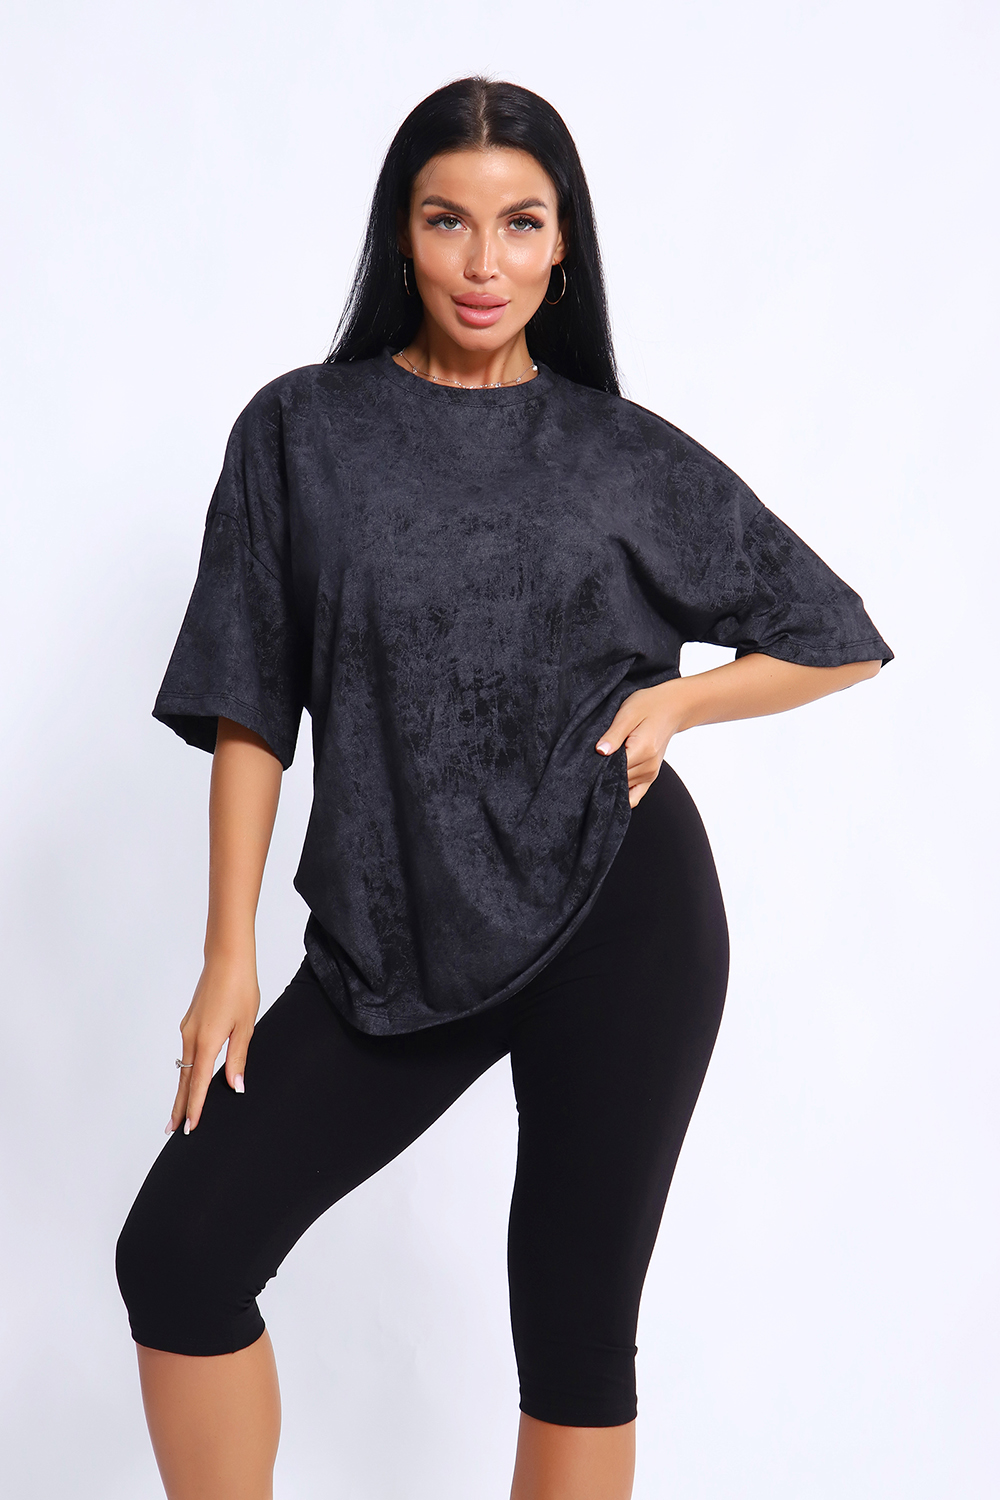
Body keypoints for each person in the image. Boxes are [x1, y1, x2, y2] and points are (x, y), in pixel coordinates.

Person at [115, 76, 894, 1500]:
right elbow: (251, 701)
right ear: (400, 235)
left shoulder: (619, 452)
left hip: (624, 916)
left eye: (520, 224)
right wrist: (229, 951)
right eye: (448, 221)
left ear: (563, 245)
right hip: (397, 931)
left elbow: (835, 634)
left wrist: (680, 700)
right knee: (179, 1252)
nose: (484, 262)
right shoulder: (303, 432)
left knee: (575, 1337)